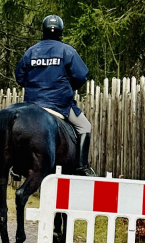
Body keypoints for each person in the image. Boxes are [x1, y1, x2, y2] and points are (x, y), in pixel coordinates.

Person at [14, 15, 93, 174]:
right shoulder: (67, 51)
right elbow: (81, 76)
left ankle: (17, 166)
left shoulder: (31, 51)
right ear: (60, 31)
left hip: (32, 104)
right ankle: (81, 166)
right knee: (85, 126)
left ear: (43, 30)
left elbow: (20, 77)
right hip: (59, 104)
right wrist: (71, 87)